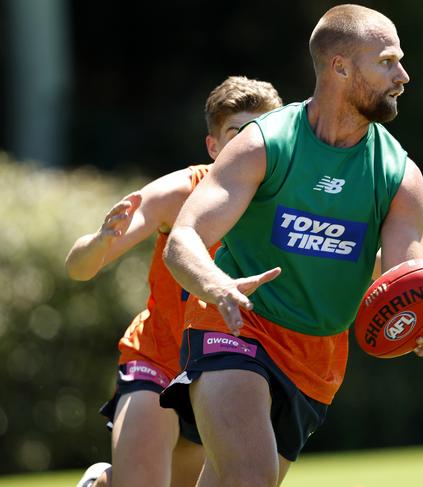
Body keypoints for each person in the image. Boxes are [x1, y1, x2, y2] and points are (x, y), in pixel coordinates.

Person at [161, 5, 423, 487]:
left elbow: (404, 278)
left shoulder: (399, 176)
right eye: (387, 61)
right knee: (249, 479)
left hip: (317, 357)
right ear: (340, 66)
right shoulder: (264, 145)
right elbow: (184, 239)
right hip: (235, 324)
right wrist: (218, 285)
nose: (403, 75)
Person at [67, 76, 284, 487]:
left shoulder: (289, 202)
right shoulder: (182, 191)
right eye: (238, 134)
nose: (252, 146)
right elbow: (79, 267)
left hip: (226, 369)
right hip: (159, 358)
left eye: (263, 134)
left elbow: (367, 265)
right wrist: (100, 241)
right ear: (214, 146)